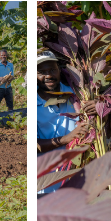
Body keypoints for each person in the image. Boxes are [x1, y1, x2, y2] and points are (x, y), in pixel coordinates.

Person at [37, 51, 97, 194]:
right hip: (45, 185)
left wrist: (99, 106)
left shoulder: (78, 94)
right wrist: (67, 139)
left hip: (79, 181)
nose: (49, 75)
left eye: (52, 70)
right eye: (42, 72)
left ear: (59, 70)